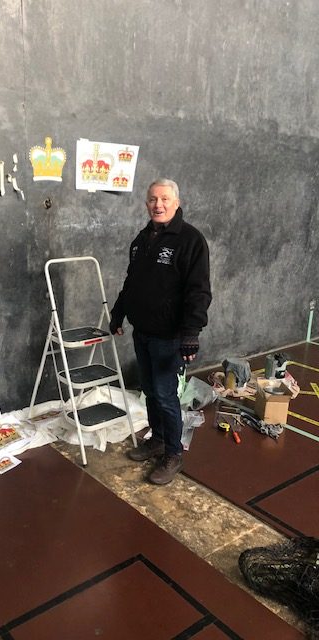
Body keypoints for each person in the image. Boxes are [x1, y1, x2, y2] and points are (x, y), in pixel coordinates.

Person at [109, 178, 211, 485]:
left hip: (170, 337)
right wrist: (118, 313)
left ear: (176, 203)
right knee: (151, 391)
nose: (158, 205)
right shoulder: (142, 240)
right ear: (146, 204)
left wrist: (191, 333)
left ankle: (173, 454)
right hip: (143, 332)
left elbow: (199, 291)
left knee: (166, 396)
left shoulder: (191, 240)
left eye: (165, 199)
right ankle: (157, 440)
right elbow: (131, 282)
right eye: (153, 199)